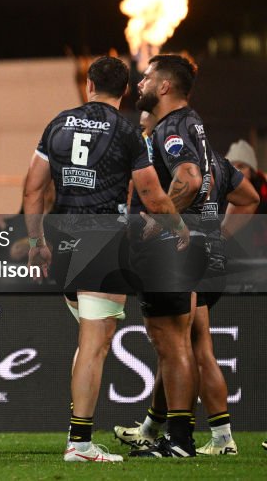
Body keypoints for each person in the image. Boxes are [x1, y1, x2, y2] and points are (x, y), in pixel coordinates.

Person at [21, 56, 186, 463]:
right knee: (95, 344)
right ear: (126, 90)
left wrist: (35, 241)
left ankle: (79, 426)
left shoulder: (58, 123)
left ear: (89, 84)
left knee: (91, 338)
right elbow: (150, 194)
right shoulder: (128, 132)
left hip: (61, 238)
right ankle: (79, 444)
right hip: (102, 241)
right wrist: (178, 225)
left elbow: (32, 190)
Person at [114, 121, 259, 457]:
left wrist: (160, 221)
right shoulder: (217, 163)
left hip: (187, 256)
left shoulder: (177, 161)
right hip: (211, 257)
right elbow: (249, 198)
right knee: (181, 346)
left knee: (193, 348)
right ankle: (153, 426)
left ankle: (220, 437)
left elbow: (188, 188)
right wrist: (222, 234)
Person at [125, 54, 213, 459]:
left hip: (172, 247)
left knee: (171, 342)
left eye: (146, 78)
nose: (139, 83)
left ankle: (179, 440)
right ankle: (177, 436)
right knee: (177, 341)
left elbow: (190, 178)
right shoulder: (188, 122)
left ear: (164, 87)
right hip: (193, 241)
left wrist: (161, 222)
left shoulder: (172, 128)